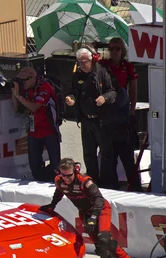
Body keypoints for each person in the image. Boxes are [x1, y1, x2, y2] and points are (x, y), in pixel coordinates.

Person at [39, 158, 138, 258]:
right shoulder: (59, 181)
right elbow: (59, 192)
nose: (66, 178)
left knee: (104, 238)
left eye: (69, 175)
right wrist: (52, 205)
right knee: (98, 245)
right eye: (63, 175)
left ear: (75, 172)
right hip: (85, 213)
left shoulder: (84, 181)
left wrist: (93, 217)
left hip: (101, 210)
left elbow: (99, 200)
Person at [65, 47, 118, 189]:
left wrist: (105, 97)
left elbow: (113, 92)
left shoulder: (102, 72)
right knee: (89, 153)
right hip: (86, 120)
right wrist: (70, 99)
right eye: (80, 62)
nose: (82, 64)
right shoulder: (77, 76)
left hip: (101, 120)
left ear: (92, 59)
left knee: (106, 153)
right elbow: (72, 93)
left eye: (85, 61)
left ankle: (107, 182)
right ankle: (92, 181)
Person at [100, 37, 142, 192]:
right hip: (108, 113)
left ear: (122, 50)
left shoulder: (128, 66)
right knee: (109, 154)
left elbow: (134, 91)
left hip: (123, 113)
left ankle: (135, 188)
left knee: (126, 153)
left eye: (117, 48)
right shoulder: (103, 65)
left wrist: (132, 110)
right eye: (111, 48)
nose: (113, 51)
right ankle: (112, 187)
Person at [11, 67, 61, 182]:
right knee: (34, 167)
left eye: (23, 81)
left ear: (32, 78)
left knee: (55, 165)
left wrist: (19, 96)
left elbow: (34, 107)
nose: (22, 84)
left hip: (49, 130)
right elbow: (16, 109)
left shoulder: (45, 87)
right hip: (33, 132)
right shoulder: (25, 89)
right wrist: (14, 92)